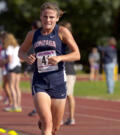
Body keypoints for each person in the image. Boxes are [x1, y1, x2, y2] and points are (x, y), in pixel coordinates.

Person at [18, 2, 80, 135]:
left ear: (57, 18)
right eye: (45, 17)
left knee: (55, 128)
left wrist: (60, 58)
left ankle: (45, 123)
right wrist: (27, 57)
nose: (48, 20)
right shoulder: (33, 34)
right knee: (48, 123)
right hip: (40, 83)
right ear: (41, 17)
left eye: (52, 17)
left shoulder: (62, 32)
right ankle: (45, 122)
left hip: (58, 83)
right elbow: (21, 52)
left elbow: (77, 54)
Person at [58, 21, 76, 126]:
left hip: (68, 71)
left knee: (68, 95)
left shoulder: (68, 40)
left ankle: (71, 117)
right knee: (62, 96)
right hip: (61, 70)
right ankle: (62, 118)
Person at [2, 33, 22, 112]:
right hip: (18, 66)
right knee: (17, 87)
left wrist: (3, 61)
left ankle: (14, 105)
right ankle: (18, 105)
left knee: (11, 87)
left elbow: (9, 59)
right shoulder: (17, 47)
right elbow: (20, 58)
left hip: (12, 67)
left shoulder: (9, 48)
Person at [26, 20, 42, 117]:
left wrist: (27, 69)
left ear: (33, 28)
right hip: (48, 69)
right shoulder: (49, 36)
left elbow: (30, 55)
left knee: (36, 91)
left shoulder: (33, 39)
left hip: (35, 70)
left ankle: (38, 109)